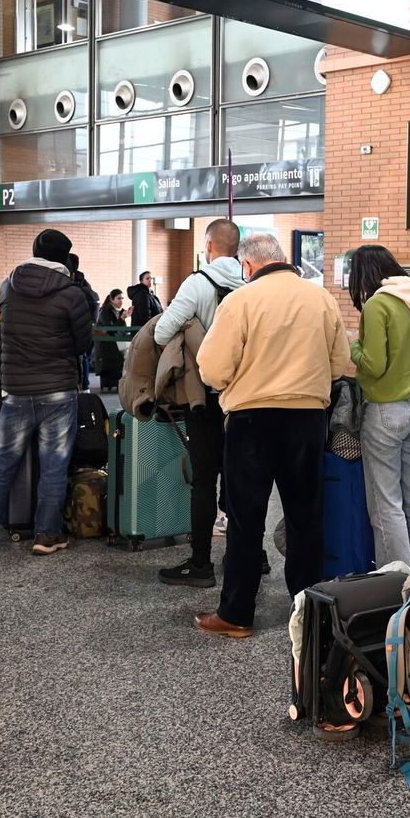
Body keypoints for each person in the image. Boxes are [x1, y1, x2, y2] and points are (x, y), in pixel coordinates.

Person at [192, 232, 349, 638]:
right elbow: (339, 364)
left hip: (252, 421)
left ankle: (237, 615)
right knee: (305, 519)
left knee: (246, 521)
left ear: (247, 265)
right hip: (307, 419)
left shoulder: (241, 300)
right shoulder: (321, 299)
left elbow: (212, 368)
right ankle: (309, 612)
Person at [0, 229, 94, 555]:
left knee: (1, 461)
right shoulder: (72, 294)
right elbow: (83, 344)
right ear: (65, 257)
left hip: (16, 389)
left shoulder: (10, 285)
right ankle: (47, 535)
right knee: (54, 466)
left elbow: (1, 329)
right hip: (58, 390)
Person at [153, 219, 246, 587]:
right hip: (244, 399)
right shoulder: (251, 282)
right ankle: (250, 556)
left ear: (208, 246)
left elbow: (162, 330)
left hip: (204, 398)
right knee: (240, 478)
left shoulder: (198, 283)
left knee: (204, 480)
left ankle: (200, 564)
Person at [349, 245, 410, 570]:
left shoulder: (378, 304)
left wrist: (354, 347)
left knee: (387, 503)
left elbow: (373, 365)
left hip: (386, 410)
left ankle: (397, 582)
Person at [95, 289, 129, 392]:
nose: (121, 301)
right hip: (107, 344)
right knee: (121, 355)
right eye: (118, 298)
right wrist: (122, 319)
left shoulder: (119, 311)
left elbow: (121, 329)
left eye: (122, 298)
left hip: (117, 342)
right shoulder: (105, 311)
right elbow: (111, 329)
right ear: (112, 299)